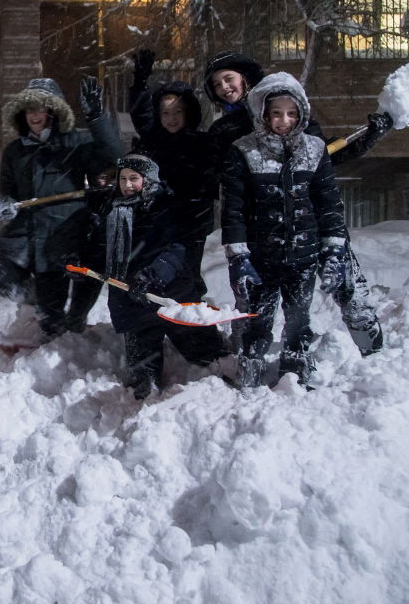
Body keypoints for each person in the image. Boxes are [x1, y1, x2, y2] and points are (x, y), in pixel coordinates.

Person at [203, 50, 390, 356]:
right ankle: (245, 360)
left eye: (228, 78)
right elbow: (217, 181)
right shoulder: (224, 132)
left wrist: (368, 137)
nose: (224, 87)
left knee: (348, 288)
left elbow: (326, 155)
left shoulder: (289, 107)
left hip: (312, 222)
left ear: (244, 78)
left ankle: (374, 357)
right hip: (265, 233)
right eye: (216, 84)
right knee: (252, 304)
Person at [57, 154, 229, 399]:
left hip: (171, 298)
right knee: (143, 377)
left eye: (134, 178)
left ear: (148, 180)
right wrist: (80, 262)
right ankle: (146, 404)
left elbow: (177, 250)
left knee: (206, 356)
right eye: (122, 179)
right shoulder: (114, 211)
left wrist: (152, 276)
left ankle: (225, 387)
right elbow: (102, 250)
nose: (127, 185)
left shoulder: (167, 208)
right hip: (132, 304)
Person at [220, 73, 350, 387]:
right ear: (263, 114)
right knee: (257, 320)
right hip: (261, 257)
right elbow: (233, 209)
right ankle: (250, 371)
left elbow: (329, 202)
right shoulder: (244, 151)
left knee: (298, 319)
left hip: (303, 255)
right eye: (276, 113)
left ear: (301, 113)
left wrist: (334, 249)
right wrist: (238, 256)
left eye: (291, 113)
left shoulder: (315, 149)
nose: (284, 120)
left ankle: (295, 371)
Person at [0, 75, 125, 340]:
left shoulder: (76, 143)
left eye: (41, 109)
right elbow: (9, 192)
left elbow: (116, 157)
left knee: (63, 313)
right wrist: (7, 204)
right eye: (30, 109)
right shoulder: (15, 151)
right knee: (7, 285)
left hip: (66, 237)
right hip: (29, 238)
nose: (34, 115)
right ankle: (43, 320)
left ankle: (69, 336)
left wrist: (97, 118)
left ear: (54, 111)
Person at [128, 53, 218, 299]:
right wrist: (140, 84)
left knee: (186, 268)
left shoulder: (201, 143)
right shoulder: (155, 141)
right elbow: (141, 115)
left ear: (188, 112)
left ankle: (193, 306)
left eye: (177, 112)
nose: (172, 118)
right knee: (159, 265)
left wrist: (200, 193)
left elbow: (210, 178)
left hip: (192, 217)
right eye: (165, 113)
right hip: (159, 217)